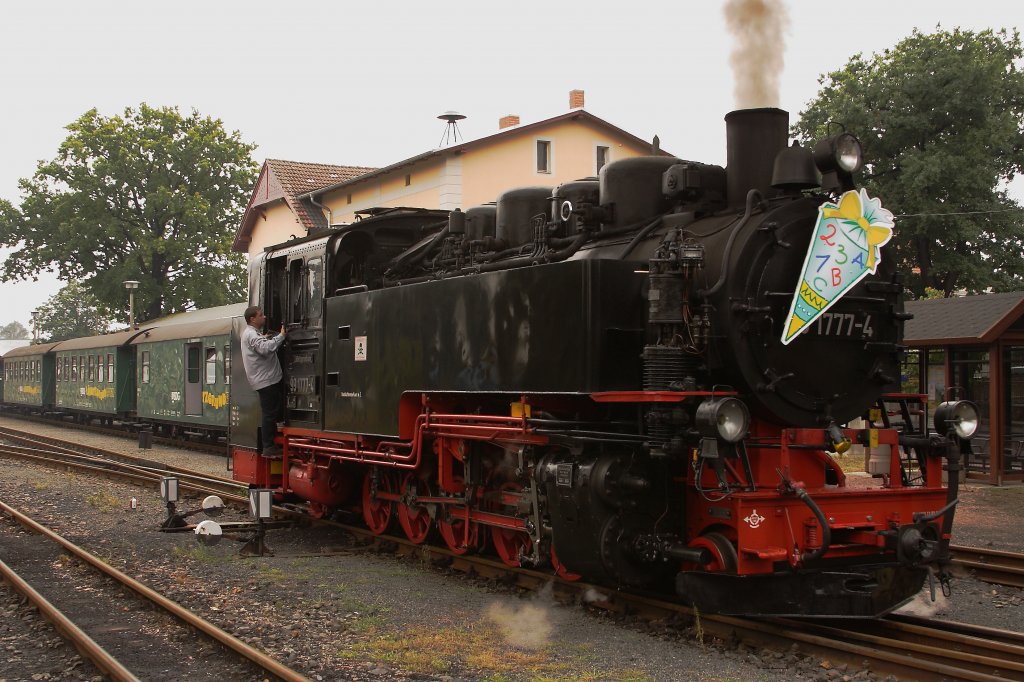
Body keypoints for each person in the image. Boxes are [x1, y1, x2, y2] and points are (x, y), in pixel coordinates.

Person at [241, 306, 286, 456]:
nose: (265, 317)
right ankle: (268, 446)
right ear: (252, 319)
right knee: (269, 413)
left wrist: (266, 337)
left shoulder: (252, 334)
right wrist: (281, 336)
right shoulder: (251, 335)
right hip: (265, 380)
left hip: (265, 379)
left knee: (272, 409)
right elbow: (266, 349)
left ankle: (271, 440)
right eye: (261, 315)